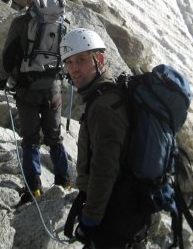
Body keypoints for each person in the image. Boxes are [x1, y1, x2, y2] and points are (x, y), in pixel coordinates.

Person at [61, 28, 151, 248]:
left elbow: (105, 167)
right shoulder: (106, 95)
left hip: (117, 213)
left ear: (99, 59)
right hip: (124, 207)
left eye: (81, 60)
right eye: (69, 62)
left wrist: (91, 218)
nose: (73, 69)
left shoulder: (104, 106)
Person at [0, 0, 71, 204]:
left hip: (26, 88)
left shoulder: (21, 22)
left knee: (30, 139)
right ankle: (63, 181)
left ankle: (33, 188)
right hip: (53, 89)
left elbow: (9, 53)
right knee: (55, 137)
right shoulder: (62, 23)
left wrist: (3, 78)